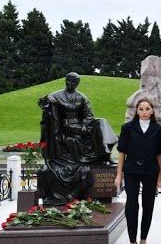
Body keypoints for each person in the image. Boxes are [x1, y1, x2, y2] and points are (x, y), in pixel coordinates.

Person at [37, 72, 118, 205]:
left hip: (80, 126)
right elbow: (43, 103)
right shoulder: (56, 96)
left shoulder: (81, 97)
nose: (72, 84)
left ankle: (105, 153)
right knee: (80, 133)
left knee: (101, 122)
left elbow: (89, 115)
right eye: (70, 81)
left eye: (75, 82)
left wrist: (85, 126)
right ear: (66, 81)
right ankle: (99, 153)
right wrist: (46, 101)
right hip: (66, 127)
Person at [114, 99, 161, 244]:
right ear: (137, 111)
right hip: (131, 171)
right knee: (131, 205)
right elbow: (121, 153)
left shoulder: (158, 130)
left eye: (147, 108)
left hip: (150, 171)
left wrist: (160, 176)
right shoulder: (127, 128)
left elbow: (160, 155)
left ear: (152, 111)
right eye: (141, 109)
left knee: (148, 205)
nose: (144, 111)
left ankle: (143, 240)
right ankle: (132, 242)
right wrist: (118, 174)